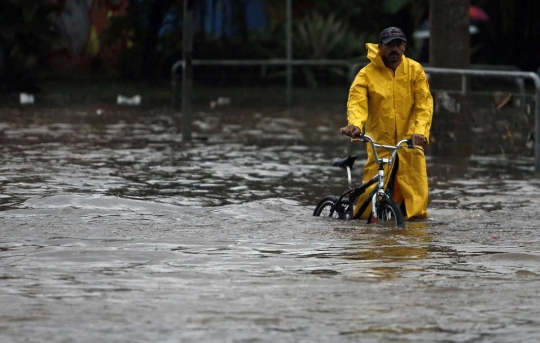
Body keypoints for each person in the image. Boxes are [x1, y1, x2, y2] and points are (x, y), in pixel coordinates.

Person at [340, 27, 433, 220]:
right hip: (381, 145)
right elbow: (357, 102)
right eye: (390, 45)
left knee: (417, 203)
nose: (394, 49)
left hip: (410, 144)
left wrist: (420, 131)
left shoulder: (415, 70)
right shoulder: (366, 74)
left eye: (398, 44)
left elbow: (424, 104)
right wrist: (355, 125)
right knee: (370, 196)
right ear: (380, 47)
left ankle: (414, 247)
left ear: (404, 47)